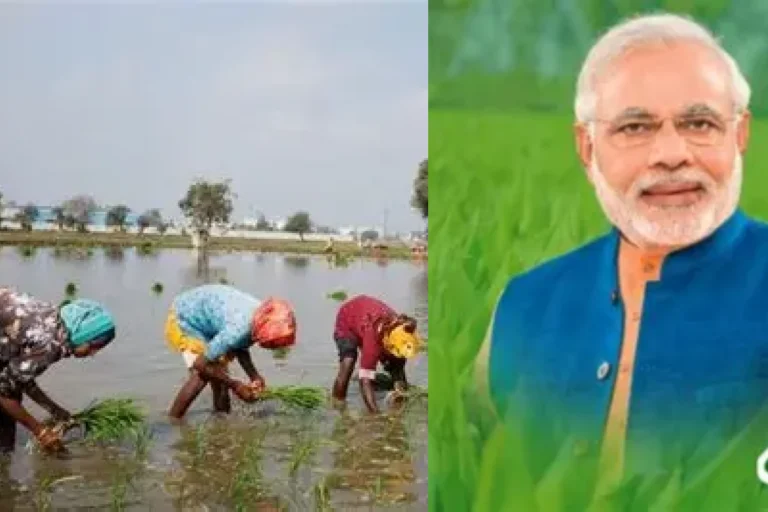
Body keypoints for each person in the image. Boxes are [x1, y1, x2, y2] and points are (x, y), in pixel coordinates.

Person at [473, 12, 767, 494]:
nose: (671, 153)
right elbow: (477, 463)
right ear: (587, 148)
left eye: (699, 123)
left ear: (739, 136)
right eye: (635, 128)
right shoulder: (524, 304)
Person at [0, 289, 116, 453]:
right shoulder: (49, 345)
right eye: (93, 347)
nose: (92, 354)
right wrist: (40, 431)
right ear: (82, 335)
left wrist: (55, 410)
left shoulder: (54, 320)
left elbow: (21, 376)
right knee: (8, 404)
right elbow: (4, 392)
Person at [165, 284, 296, 420]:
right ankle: (173, 421)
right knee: (201, 376)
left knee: (220, 378)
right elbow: (200, 364)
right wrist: (236, 385)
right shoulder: (238, 329)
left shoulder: (263, 315)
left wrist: (254, 376)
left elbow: (240, 346)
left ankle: (220, 421)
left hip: (208, 318)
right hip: (186, 317)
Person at [331, 294, 421, 413]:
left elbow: (399, 369)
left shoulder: (402, 330)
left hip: (365, 320)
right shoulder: (373, 341)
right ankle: (337, 404)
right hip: (348, 319)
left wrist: (401, 396)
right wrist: (376, 415)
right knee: (348, 362)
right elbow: (365, 381)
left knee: (396, 365)